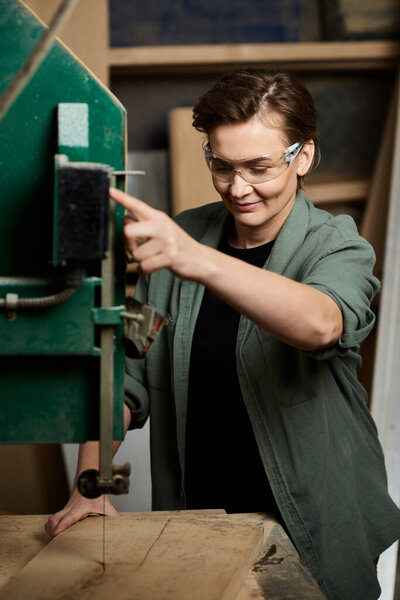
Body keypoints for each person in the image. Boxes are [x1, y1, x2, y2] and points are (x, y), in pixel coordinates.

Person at [45, 69, 400, 600]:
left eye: (259, 167)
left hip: (316, 522)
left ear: (303, 156)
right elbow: (125, 378)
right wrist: (88, 484)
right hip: (202, 518)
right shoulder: (181, 237)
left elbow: (321, 322)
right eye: (222, 165)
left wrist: (198, 260)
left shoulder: (336, 244)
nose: (238, 188)